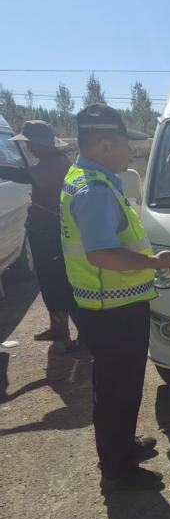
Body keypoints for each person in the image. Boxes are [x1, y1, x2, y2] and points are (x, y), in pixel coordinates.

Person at [60, 103, 170, 493]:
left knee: (118, 385)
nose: (131, 150)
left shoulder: (85, 177)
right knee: (118, 389)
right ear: (105, 144)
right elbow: (101, 254)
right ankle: (117, 470)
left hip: (107, 305)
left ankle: (121, 447)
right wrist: (155, 263)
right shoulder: (94, 190)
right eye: (126, 143)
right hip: (112, 308)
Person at [0, 121, 79, 348]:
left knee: (58, 283)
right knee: (50, 282)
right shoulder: (51, 161)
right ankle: (59, 328)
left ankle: (82, 336)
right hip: (44, 231)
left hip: (50, 233)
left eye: (31, 143)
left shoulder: (55, 164)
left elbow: (26, 176)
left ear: (43, 144)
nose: (29, 148)